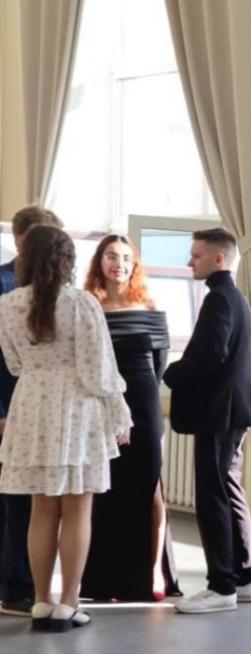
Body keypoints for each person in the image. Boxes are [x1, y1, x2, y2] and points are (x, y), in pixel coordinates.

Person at [0, 225, 132, 631]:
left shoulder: (7, 304)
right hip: (77, 409)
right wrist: (120, 415)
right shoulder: (81, 303)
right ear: (67, 261)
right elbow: (99, 371)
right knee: (77, 508)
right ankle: (69, 602)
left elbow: (14, 364)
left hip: (32, 406)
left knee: (41, 508)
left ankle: (41, 601)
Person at [164, 228, 251, 614]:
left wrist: (171, 374)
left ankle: (221, 585)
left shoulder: (219, 299)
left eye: (196, 255)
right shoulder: (238, 298)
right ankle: (245, 578)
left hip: (219, 413)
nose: (190, 261)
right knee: (230, 489)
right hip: (235, 410)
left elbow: (210, 354)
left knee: (212, 495)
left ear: (218, 259)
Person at [79, 235, 182, 602]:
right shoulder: (86, 308)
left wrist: (137, 408)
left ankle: (150, 575)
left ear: (134, 265)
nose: (118, 264)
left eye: (125, 258)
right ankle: (102, 581)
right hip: (98, 406)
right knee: (103, 490)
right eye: (111, 256)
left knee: (148, 487)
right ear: (100, 261)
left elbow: (159, 366)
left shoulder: (151, 309)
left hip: (143, 405)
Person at [0, 206, 62, 617]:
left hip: (39, 412)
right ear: (20, 238)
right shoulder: (3, 284)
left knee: (26, 502)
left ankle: (21, 584)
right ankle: (16, 588)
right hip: (10, 407)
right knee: (16, 502)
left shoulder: (60, 291)